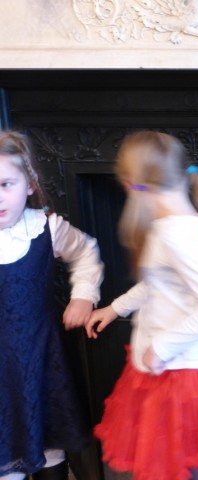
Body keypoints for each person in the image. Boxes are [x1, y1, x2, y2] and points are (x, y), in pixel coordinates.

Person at [85, 131, 198, 480]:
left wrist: (161, 347)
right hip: (169, 368)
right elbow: (157, 284)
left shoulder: (178, 235)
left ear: (134, 186)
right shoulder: (173, 226)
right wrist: (116, 308)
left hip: (180, 375)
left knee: (178, 468)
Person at [0, 130, 104, 480]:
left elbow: (86, 251)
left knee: (49, 442)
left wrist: (83, 296)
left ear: (29, 184)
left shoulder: (46, 228)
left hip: (42, 357)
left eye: (6, 184)